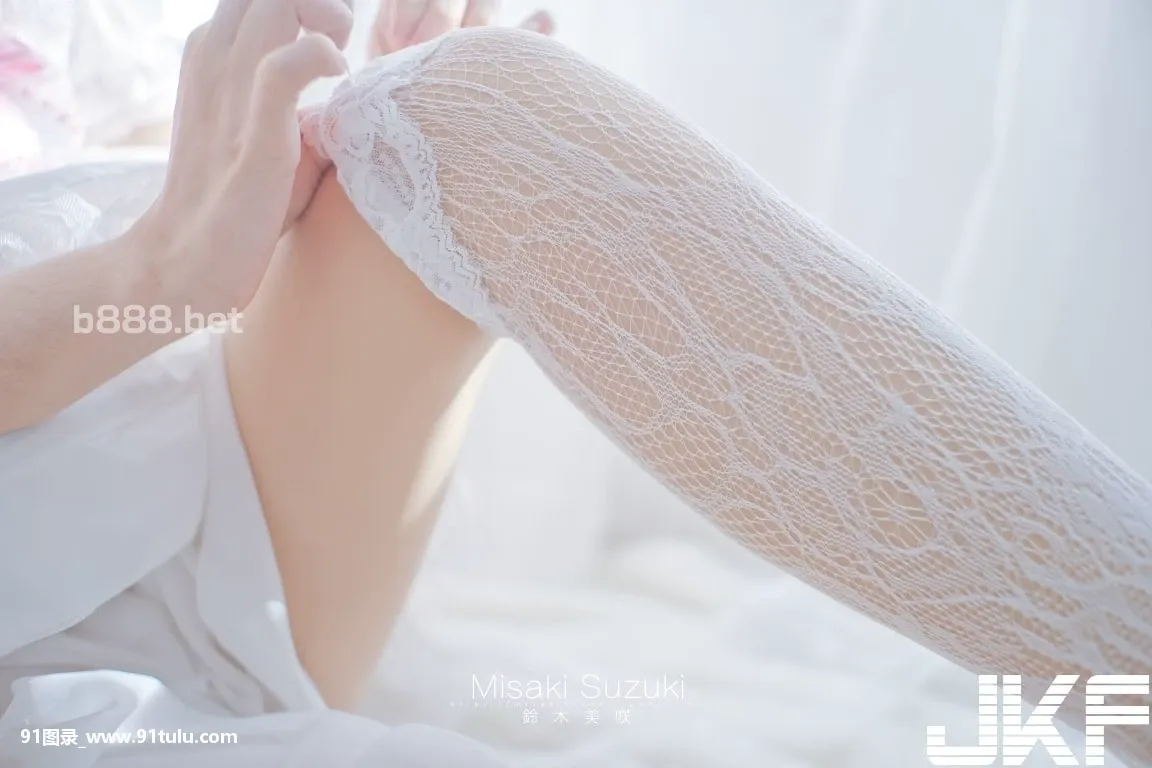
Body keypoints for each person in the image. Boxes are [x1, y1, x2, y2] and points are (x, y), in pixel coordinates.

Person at [0, 1, 1149, 766]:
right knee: (460, 119)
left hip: (165, 447)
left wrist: (311, 139)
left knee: (453, 126)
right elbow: (146, 249)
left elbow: (121, 163)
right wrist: (155, 270)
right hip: (39, 580)